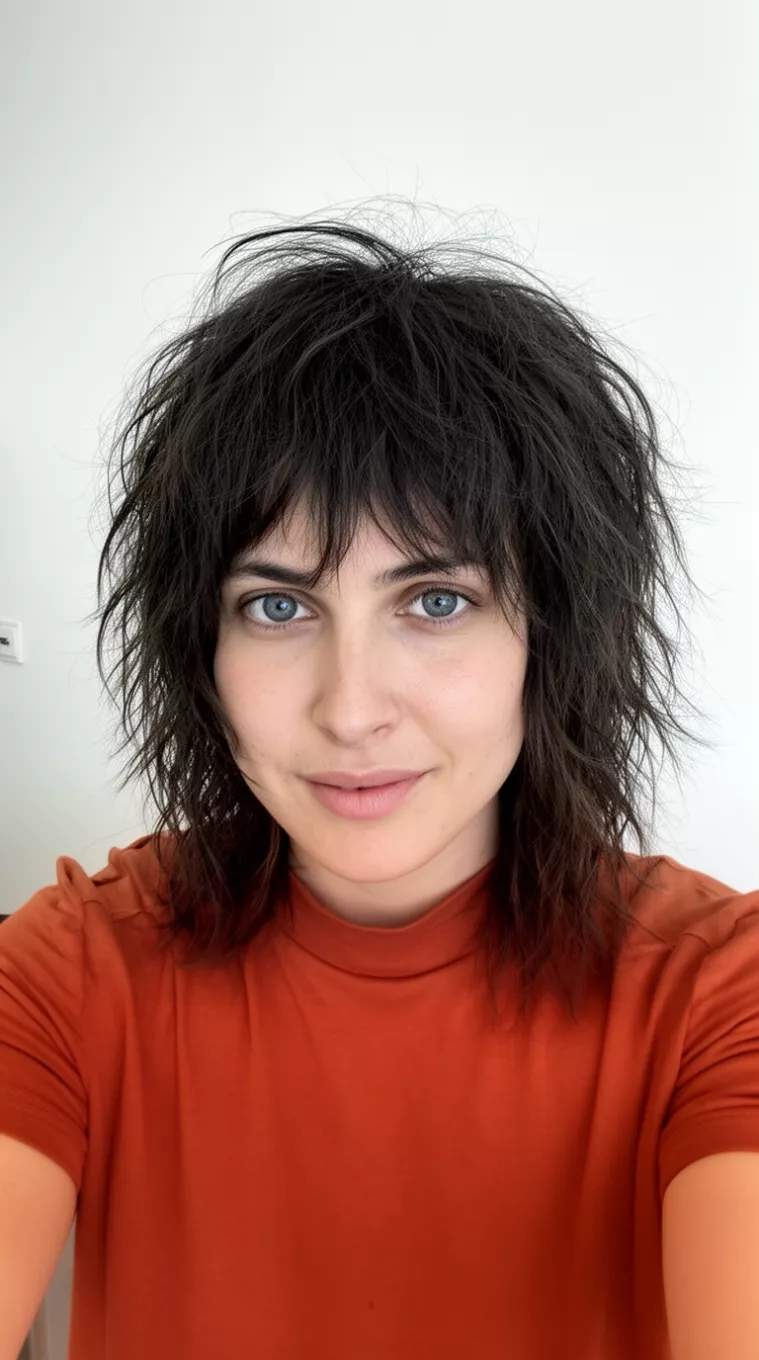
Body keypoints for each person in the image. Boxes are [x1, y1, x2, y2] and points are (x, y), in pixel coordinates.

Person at [1, 214, 758, 1360]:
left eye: (435, 600)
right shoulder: (75, 971)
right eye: (279, 605)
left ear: (548, 633)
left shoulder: (716, 996)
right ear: (199, 645)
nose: (350, 708)